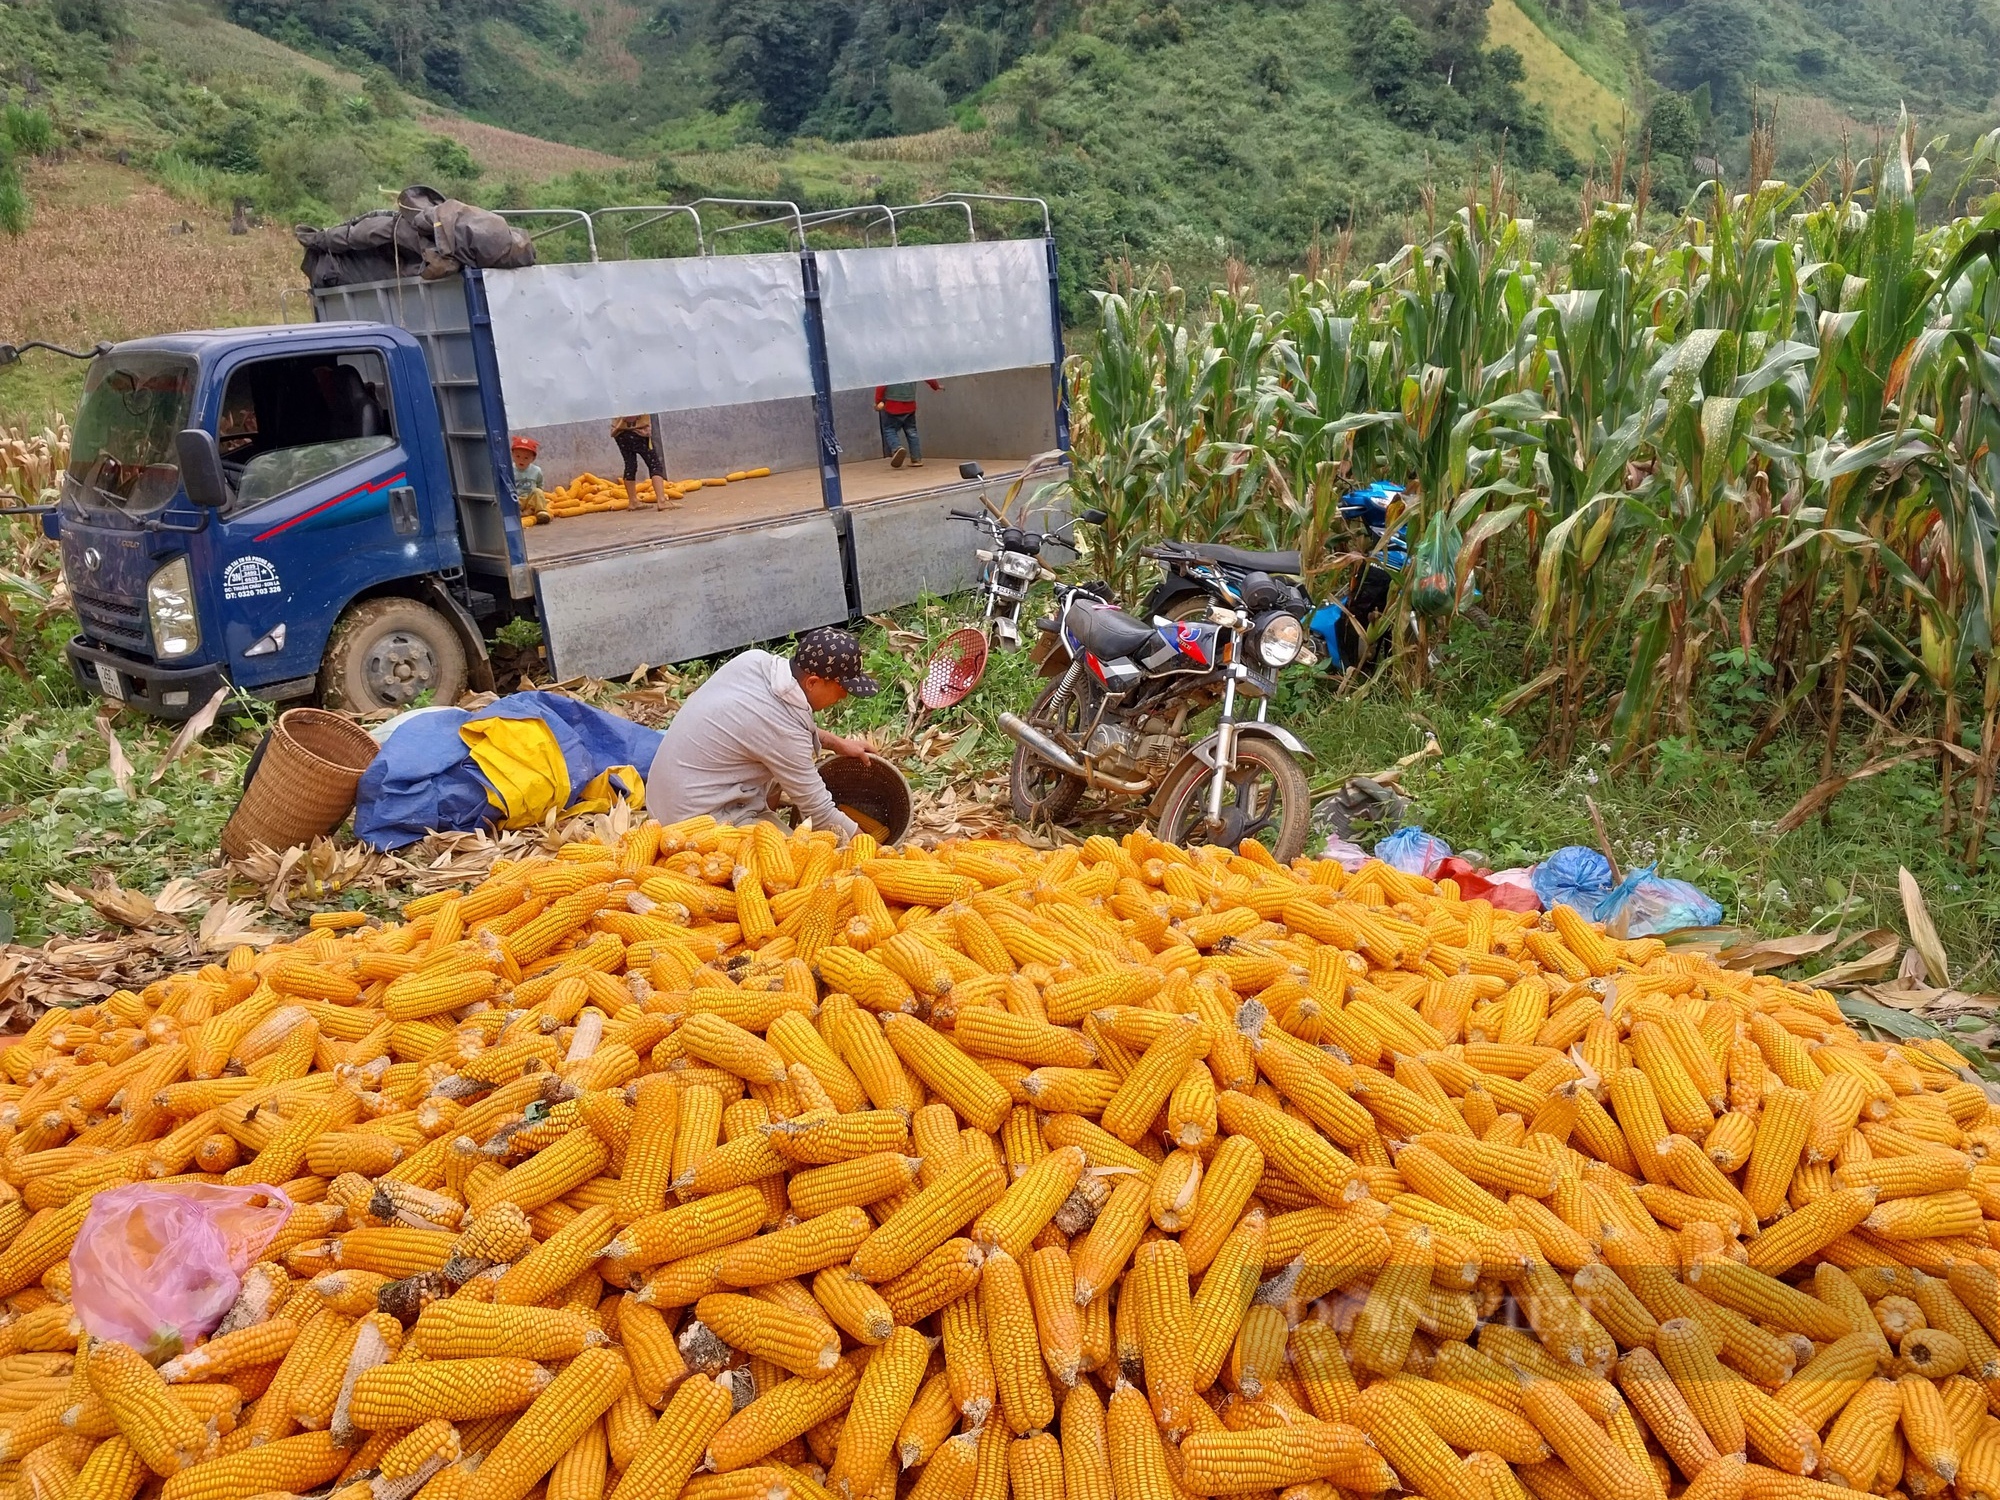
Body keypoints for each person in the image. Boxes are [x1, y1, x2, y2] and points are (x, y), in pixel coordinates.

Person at [646, 627, 879, 840]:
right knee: (796, 862)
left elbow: (772, 729)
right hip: (690, 821)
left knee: (777, 773)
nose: (844, 697)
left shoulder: (754, 662)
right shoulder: (783, 734)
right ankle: (750, 823)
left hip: (669, 793)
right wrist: (876, 851)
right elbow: (820, 813)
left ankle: (761, 815)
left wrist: (837, 743)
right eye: (841, 690)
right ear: (813, 682)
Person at [874, 379, 942, 468]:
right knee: (912, 432)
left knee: (889, 429)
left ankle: (897, 448)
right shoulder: (912, 368)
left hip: (892, 405)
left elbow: (881, 385)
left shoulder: (888, 370)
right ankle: (916, 459)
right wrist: (936, 386)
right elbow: (926, 377)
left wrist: (877, 401)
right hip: (910, 405)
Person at [611, 413, 672, 509]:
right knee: (654, 465)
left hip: (620, 432)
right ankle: (661, 501)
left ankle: (633, 501)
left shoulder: (616, 398)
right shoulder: (637, 398)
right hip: (639, 431)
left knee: (630, 464)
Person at [510, 436, 549, 521]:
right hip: (517, 499)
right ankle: (521, 512)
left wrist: (538, 498)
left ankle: (541, 512)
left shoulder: (536, 471)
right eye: (518, 456)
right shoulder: (509, 470)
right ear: (512, 455)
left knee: (538, 492)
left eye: (526, 458)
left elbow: (540, 485)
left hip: (529, 499)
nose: (521, 460)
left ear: (533, 458)